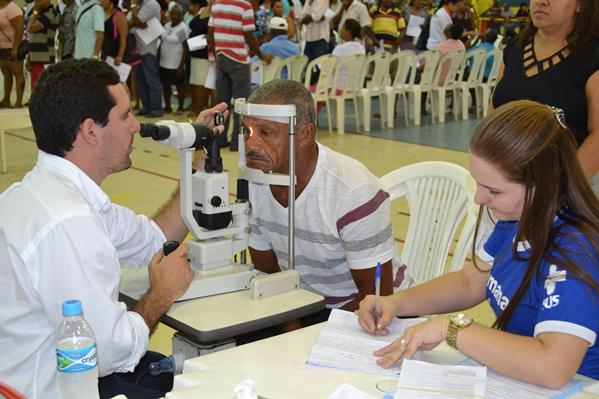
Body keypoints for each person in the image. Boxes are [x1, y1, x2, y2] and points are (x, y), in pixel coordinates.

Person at [0, 59, 228, 399]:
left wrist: (198, 156)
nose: (135, 126)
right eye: (124, 116)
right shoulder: (68, 221)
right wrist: (161, 293)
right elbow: (109, 352)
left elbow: (154, 239)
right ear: (91, 131)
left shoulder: (46, 192)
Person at [358, 100, 599, 387]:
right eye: (478, 183)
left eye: (494, 190)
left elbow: (552, 368)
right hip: (517, 380)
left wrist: (452, 329)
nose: (479, 199)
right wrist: (397, 302)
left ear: (544, 183)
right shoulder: (516, 218)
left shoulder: (575, 250)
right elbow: (470, 282)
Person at [246, 79, 409, 320]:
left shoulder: (353, 191)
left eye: (266, 133)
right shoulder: (255, 181)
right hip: (304, 308)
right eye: (246, 131)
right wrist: (286, 322)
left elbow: (376, 297)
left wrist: (299, 327)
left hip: (371, 313)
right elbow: (267, 275)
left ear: (304, 134)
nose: (251, 144)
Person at [492, 0, 599, 196]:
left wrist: (560, 190)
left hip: (562, 189)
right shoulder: (516, 48)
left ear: (580, 5)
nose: (542, 2)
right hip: (502, 183)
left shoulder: (592, 55)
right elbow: (494, 112)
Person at [208, 0, 272, 151]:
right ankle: (237, 142)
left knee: (222, 105)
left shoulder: (217, 3)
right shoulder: (244, 6)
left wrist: (217, 54)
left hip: (221, 57)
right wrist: (261, 55)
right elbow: (248, 34)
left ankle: (220, 138)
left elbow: (210, 32)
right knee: (241, 103)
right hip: (238, 59)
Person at [158, 5, 189, 114]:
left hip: (176, 64)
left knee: (179, 86)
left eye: (177, 14)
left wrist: (181, 66)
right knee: (166, 86)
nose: (174, 16)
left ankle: (180, 107)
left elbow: (186, 48)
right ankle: (167, 106)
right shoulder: (166, 25)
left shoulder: (182, 28)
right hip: (164, 62)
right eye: (172, 13)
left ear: (181, 15)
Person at [26, 0, 58, 88]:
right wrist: (29, 57)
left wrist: (35, 11)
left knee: (42, 88)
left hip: (45, 58)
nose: (37, 1)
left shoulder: (51, 13)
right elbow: (32, 36)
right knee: (34, 87)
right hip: (36, 57)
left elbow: (31, 28)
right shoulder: (40, 13)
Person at [0, 0, 24, 108]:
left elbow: (19, 30)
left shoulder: (13, 8)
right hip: (2, 47)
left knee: (17, 73)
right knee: (6, 73)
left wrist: (15, 48)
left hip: (13, 46)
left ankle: (18, 102)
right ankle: (6, 100)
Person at [101, 0, 128, 65]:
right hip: (104, 51)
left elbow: (123, 37)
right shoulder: (101, 13)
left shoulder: (119, 15)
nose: (101, 1)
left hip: (114, 52)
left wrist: (120, 56)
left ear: (111, 2)